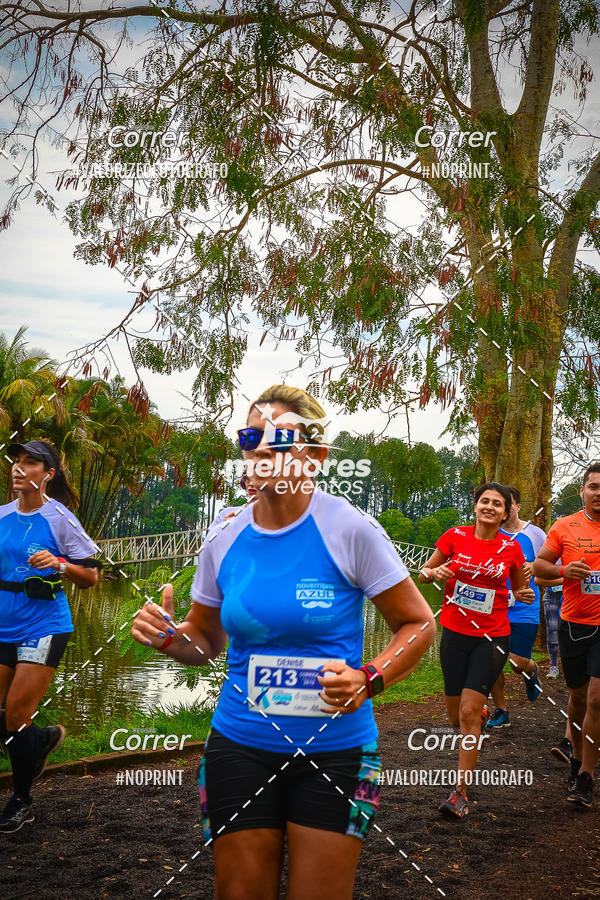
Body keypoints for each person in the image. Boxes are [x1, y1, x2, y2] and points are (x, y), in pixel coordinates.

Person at [132, 384, 435, 899]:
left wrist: (370, 676)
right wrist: (170, 637)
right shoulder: (223, 532)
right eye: (250, 436)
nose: (258, 449)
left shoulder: (350, 529)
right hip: (239, 744)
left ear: (314, 456)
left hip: (336, 751)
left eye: (278, 438)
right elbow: (205, 638)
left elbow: (419, 624)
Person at [0, 440, 99, 833]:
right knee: (10, 720)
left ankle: (22, 800)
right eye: (16, 461)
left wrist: (59, 562)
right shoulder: (2, 515)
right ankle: (39, 741)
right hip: (3, 625)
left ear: (48, 474)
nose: (19, 468)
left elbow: (91, 575)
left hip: (44, 625)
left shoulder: (60, 518)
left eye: (30, 462)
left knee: (15, 715)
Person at [420, 482, 534, 818]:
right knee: (455, 717)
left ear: (506, 511)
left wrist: (525, 592)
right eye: (484, 501)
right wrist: (433, 572)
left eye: (497, 504)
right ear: (475, 506)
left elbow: (520, 589)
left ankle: (460, 793)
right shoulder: (454, 536)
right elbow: (425, 572)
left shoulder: (511, 548)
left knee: (468, 713)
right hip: (455, 634)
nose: (489, 507)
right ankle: (480, 714)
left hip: (493, 638)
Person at [534, 462, 600, 808]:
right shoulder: (565, 526)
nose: (599, 493)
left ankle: (587, 776)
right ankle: (576, 759)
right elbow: (539, 566)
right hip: (576, 623)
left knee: (596, 700)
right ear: (583, 491)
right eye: (593, 487)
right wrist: (563, 570)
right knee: (577, 697)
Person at [486, 486, 545, 728]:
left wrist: (535, 567)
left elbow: (553, 565)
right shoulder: (490, 534)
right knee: (491, 660)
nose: (504, 508)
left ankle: (530, 670)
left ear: (517, 507)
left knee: (516, 661)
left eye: (507, 503)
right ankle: (501, 711)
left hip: (524, 607)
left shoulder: (535, 534)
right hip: (495, 605)